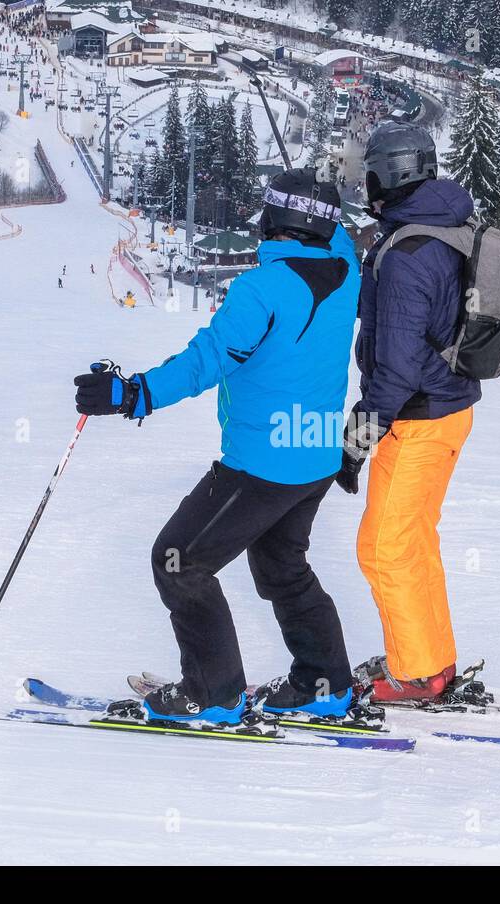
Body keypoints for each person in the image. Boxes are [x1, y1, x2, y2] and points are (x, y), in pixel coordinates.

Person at [72, 169, 361, 727]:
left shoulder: (260, 290)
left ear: (278, 221)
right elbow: (339, 233)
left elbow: (207, 359)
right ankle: (323, 683)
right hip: (316, 456)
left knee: (178, 562)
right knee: (283, 567)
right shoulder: (347, 271)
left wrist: (134, 394)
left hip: (263, 466)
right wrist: (318, 205)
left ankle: (213, 693)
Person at [335, 121, 478, 703]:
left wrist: (357, 441)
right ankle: (428, 658)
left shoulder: (405, 255)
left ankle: (418, 674)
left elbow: (394, 368)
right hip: (446, 410)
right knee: (414, 537)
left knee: (384, 545)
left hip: (418, 417)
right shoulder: (445, 223)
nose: (363, 183)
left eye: (368, 172)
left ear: (389, 175)